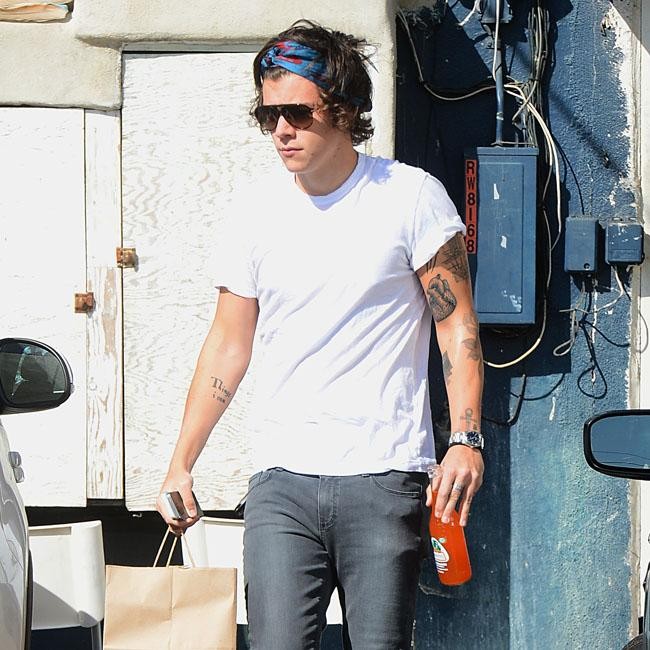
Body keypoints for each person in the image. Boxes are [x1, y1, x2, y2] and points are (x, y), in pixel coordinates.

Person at [157, 19, 484, 650]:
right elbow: (228, 342)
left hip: (384, 475)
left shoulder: (411, 198)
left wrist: (465, 440)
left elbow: (456, 325)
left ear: (344, 109)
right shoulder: (254, 212)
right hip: (281, 481)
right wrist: (181, 461)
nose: (281, 129)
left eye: (298, 113)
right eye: (269, 115)